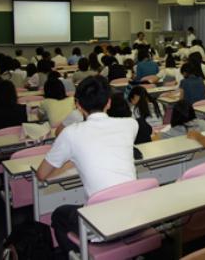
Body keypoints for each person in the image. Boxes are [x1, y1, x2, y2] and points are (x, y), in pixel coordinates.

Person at [36, 76, 138, 256]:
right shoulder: (130, 124)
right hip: (135, 217)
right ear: (108, 103)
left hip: (101, 224)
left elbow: (42, 174)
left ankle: (80, 255)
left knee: (59, 215)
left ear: (78, 105)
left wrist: (70, 161)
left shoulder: (70, 134)